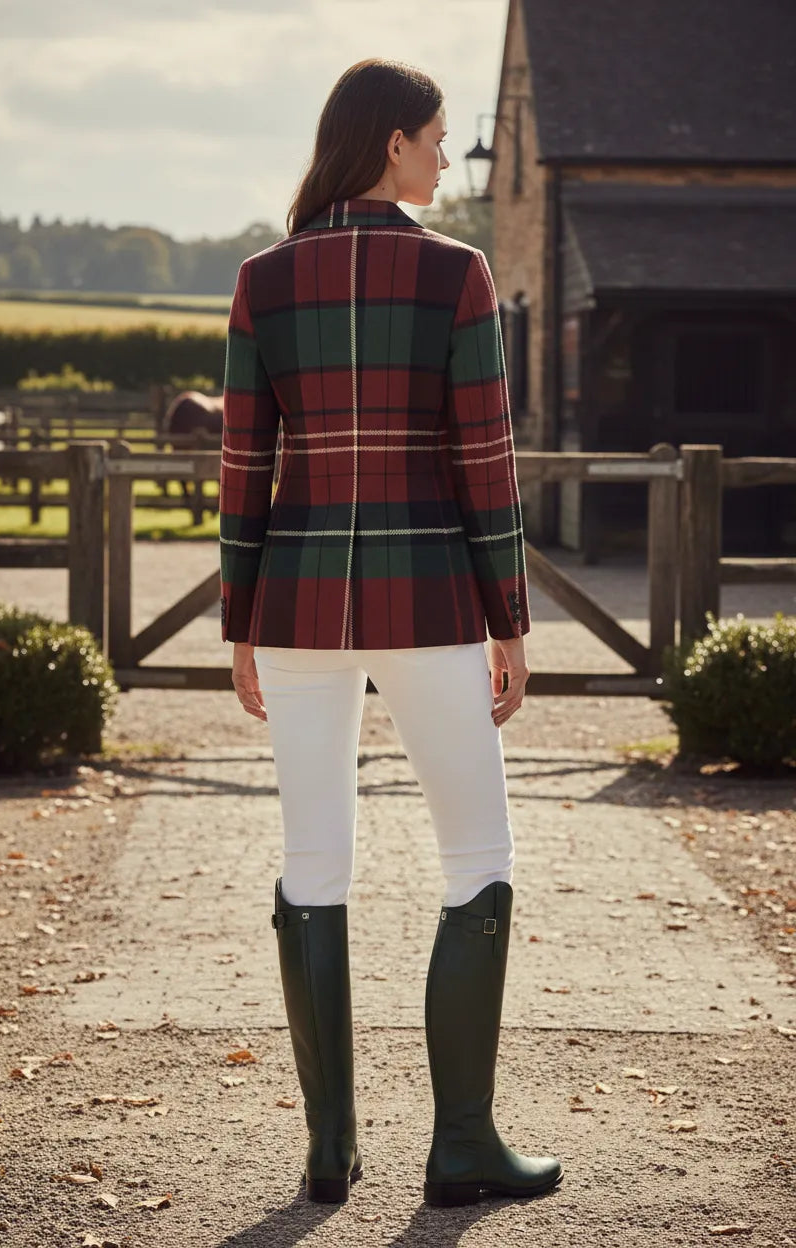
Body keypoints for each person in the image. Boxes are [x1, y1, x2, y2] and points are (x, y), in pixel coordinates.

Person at [218, 57, 564, 1208]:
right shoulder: (456, 274)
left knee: (313, 863)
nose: (440, 157)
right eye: (435, 138)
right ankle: (460, 1147)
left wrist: (240, 623)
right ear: (390, 147)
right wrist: (507, 618)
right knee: (477, 862)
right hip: (429, 606)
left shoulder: (262, 283)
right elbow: (484, 462)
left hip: (302, 606)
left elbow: (242, 467)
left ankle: (329, 1152)